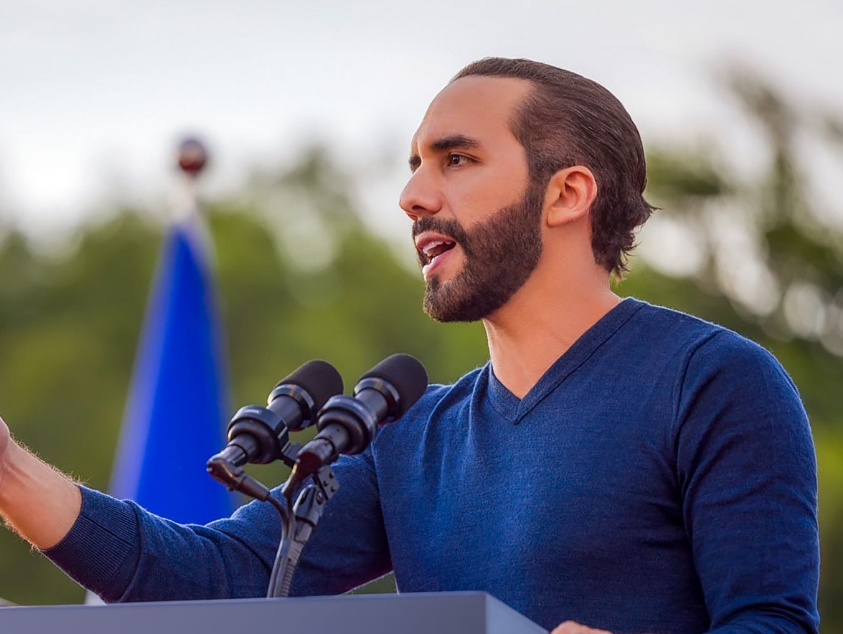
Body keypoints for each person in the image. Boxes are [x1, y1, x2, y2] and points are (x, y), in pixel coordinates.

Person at [0, 58, 819, 634]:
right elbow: (215, 580)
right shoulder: (406, 435)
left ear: (566, 192)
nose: (412, 197)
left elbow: (773, 624)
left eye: (456, 160)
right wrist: (10, 470)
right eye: (413, 166)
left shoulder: (713, 384)